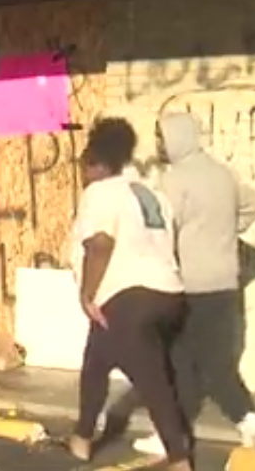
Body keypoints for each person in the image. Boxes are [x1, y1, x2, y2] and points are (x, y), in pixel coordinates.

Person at [132, 114, 255, 457]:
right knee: (214, 361)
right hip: (223, 284)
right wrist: (224, 230)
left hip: (189, 285)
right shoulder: (223, 174)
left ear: (177, 139)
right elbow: (254, 204)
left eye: (162, 138)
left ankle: (176, 435)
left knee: (180, 362)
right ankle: (247, 419)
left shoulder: (175, 180)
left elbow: (163, 228)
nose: (160, 146)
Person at [67, 117, 190, 471]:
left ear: (98, 163)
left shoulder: (100, 192)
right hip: (169, 295)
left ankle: (180, 460)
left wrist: (87, 295)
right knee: (96, 362)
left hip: (128, 297)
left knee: (152, 381)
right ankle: (81, 440)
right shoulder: (151, 193)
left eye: (85, 166)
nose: (83, 174)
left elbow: (99, 244)